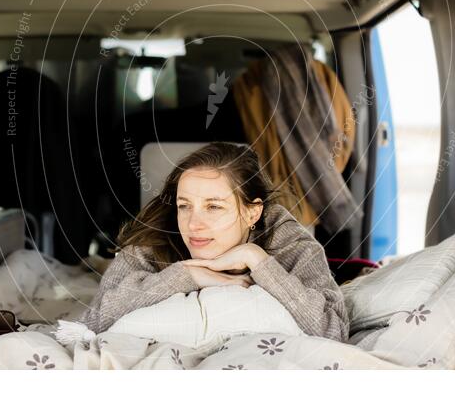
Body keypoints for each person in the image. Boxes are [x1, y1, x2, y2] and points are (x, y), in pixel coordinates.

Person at [76, 142, 350, 343]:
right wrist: (187, 275)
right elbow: (92, 322)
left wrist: (257, 259)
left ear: (252, 212)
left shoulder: (289, 242)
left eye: (213, 207)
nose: (194, 223)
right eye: (185, 206)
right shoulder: (154, 237)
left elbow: (332, 330)